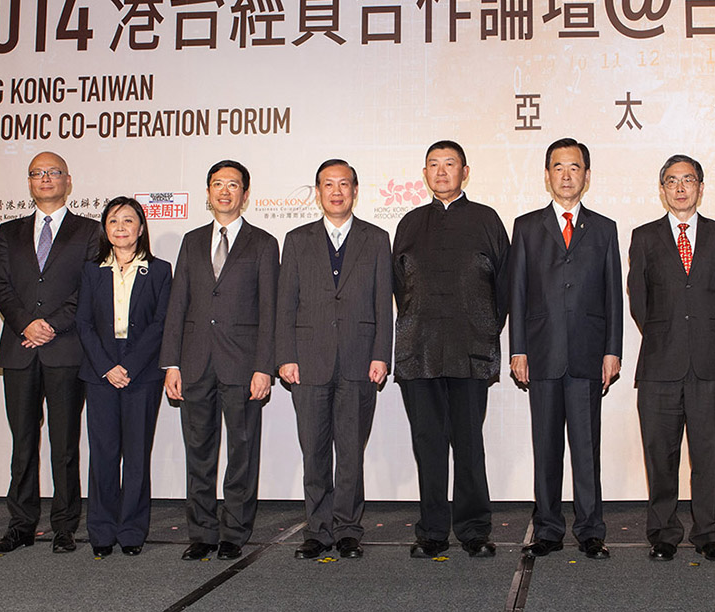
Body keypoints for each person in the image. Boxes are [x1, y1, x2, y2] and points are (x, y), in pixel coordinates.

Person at [393, 140, 509, 558]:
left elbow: (504, 286)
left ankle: (474, 530)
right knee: (428, 443)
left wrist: (483, 330)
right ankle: (432, 531)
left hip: (470, 349)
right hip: (419, 349)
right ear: (424, 173)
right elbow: (399, 287)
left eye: (450, 164)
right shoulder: (409, 223)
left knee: (469, 443)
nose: (441, 172)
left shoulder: (486, 220)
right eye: (433, 165)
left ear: (465, 172)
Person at [161, 160, 278, 561]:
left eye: (233, 185)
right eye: (217, 184)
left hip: (243, 365)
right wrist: (171, 363)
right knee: (199, 452)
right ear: (208, 192)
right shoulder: (192, 241)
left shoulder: (264, 243)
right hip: (194, 362)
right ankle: (201, 532)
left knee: (242, 451)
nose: (225, 191)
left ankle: (234, 532)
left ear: (245, 194)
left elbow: (270, 310)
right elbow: (178, 304)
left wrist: (264, 366)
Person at [509, 138, 621, 560]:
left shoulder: (604, 229)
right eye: (558, 167)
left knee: (587, 447)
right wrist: (518, 349)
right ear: (547, 175)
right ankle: (549, 529)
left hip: (589, 353)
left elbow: (614, 295)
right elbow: (517, 293)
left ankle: (591, 530)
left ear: (586, 176)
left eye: (574, 167)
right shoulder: (526, 227)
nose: (566, 175)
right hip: (542, 353)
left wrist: (612, 350)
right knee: (546, 447)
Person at [276, 159, 392, 560]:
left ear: (355, 191)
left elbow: (383, 303)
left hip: (360, 360)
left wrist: (381, 354)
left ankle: (347, 529)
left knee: (350, 450)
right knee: (314, 451)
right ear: (318, 192)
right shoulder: (296, 240)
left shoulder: (376, 238)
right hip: (308, 361)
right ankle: (317, 529)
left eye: (344, 184)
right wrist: (285, 356)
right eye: (329, 184)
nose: (337, 191)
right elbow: (285, 303)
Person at [0, 152, 100, 554]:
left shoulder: (89, 231)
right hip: (20, 348)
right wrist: (25, 324)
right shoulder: (9, 231)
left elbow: (89, 286)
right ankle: (20, 524)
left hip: (65, 349)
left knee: (65, 444)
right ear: (29, 182)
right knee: (22, 442)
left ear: (68, 181)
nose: (46, 178)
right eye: (37, 173)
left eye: (53, 173)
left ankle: (64, 526)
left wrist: (51, 325)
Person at [628, 154, 715, 562]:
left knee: (709, 455)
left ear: (700, 188)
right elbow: (639, 301)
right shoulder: (644, 237)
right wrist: (667, 334)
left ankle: (709, 533)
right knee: (661, 454)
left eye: (688, 180)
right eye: (671, 181)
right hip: (660, 361)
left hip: (708, 362)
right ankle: (663, 532)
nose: (680, 187)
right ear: (662, 190)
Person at [76, 196, 172, 557]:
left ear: (141, 228)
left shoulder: (159, 270)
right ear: (105, 229)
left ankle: (132, 530)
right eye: (113, 221)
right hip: (100, 369)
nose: (121, 227)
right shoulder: (92, 270)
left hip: (141, 371)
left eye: (128, 220)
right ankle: (101, 529)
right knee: (102, 454)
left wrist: (129, 366)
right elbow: (83, 323)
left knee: (136, 455)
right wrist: (107, 366)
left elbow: (161, 324)